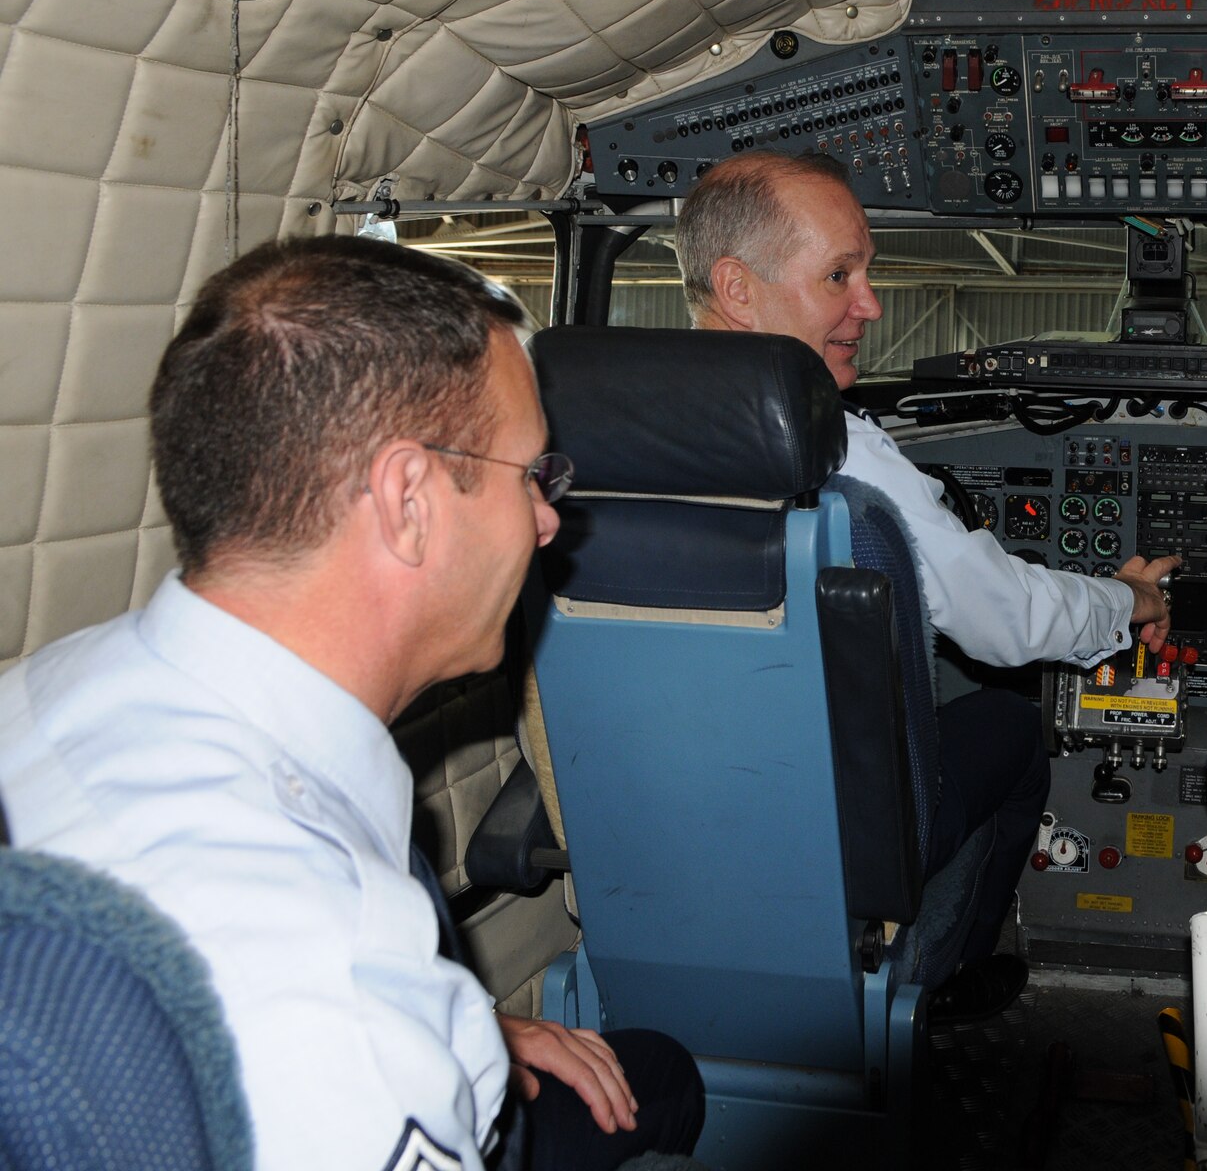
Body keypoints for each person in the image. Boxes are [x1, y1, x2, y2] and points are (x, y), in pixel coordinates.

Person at [0, 237, 703, 1170]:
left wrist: (466, 1024)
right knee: (662, 1077)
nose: (547, 520)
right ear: (409, 499)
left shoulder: (47, 687)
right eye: (533, 475)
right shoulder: (337, 980)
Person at [677, 150, 1178, 1022]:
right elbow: (1007, 623)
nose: (870, 304)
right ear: (738, 287)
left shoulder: (585, 443)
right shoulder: (837, 451)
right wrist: (1125, 602)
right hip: (820, 835)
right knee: (1010, 727)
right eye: (840, 274)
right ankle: (937, 977)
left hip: (657, 823)